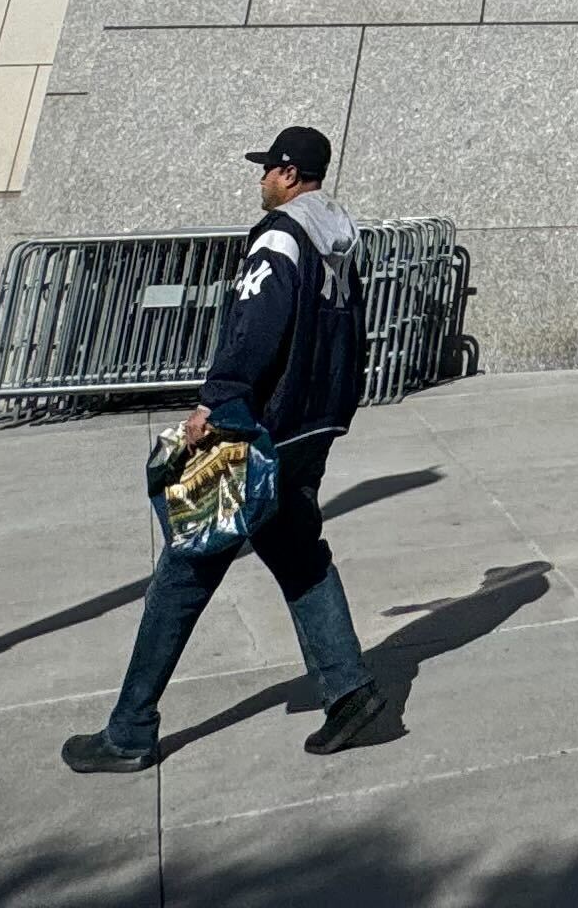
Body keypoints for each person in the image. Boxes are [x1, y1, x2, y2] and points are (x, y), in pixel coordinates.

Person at [64, 126, 392, 769]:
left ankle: (129, 730)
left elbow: (254, 331)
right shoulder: (341, 240)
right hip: (312, 427)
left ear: (291, 173)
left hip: (258, 429)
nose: (260, 178)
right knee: (300, 556)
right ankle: (350, 692)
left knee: (184, 568)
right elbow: (352, 334)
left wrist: (216, 405)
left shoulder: (279, 239)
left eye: (268, 168)